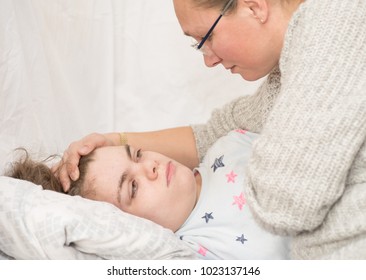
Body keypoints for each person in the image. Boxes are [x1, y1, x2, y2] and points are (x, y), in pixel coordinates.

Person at [54, 0, 366, 259]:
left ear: (254, 7)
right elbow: (216, 131)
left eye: (206, 40)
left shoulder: (333, 29)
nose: (209, 60)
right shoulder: (287, 72)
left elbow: (284, 204)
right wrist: (113, 140)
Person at [6, 130, 289, 259]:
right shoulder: (197, 252)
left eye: (137, 155)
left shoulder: (229, 143)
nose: (151, 166)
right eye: (133, 187)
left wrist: (115, 139)